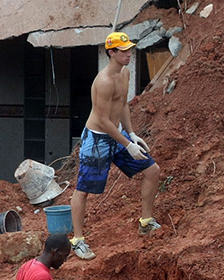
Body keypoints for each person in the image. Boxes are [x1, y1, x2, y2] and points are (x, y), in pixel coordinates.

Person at [69, 32, 161, 260]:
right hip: (97, 140)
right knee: (83, 190)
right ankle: (78, 240)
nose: (129, 54)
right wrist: (127, 144)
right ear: (112, 53)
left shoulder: (125, 73)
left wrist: (131, 133)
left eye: (130, 49)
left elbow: (122, 105)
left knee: (152, 171)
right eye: (124, 51)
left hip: (118, 135)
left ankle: (146, 222)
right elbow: (102, 120)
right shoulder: (104, 81)